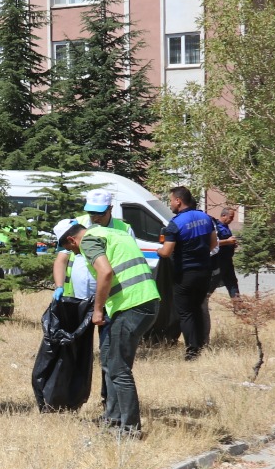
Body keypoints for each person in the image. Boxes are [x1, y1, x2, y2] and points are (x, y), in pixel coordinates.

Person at [57, 209, 160, 434]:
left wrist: (97, 310)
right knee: (109, 359)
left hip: (132, 305)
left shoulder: (88, 241)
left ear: (72, 239)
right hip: (145, 302)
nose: (74, 254)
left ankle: (130, 429)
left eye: (69, 249)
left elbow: (105, 273)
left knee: (118, 368)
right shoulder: (113, 233)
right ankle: (113, 419)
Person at [159, 186, 217, 360]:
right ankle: (201, 344)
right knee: (197, 308)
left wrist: (158, 251)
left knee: (185, 312)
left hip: (185, 273)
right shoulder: (205, 217)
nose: (170, 204)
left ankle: (192, 350)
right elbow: (213, 244)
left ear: (178, 200)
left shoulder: (175, 224)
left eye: (170, 200)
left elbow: (167, 252)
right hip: (205, 271)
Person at [51, 218, 95, 301]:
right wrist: (59, 286)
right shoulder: (71, 231)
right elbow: (60, 261)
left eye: (69, 249)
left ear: (71, 240)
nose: (73, 252)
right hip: (79, 295)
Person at [214, 206, 242, 299]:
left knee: (232, 283)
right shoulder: (216, 227)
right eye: (231, 217)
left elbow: (228, 241)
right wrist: (228, 242)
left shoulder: (226, 227)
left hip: (228, 261)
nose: (232, 219)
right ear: (223, 215)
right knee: (212, 284)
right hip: (218, 261)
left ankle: (239, 308)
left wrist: (233, 244)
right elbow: (213, 244)